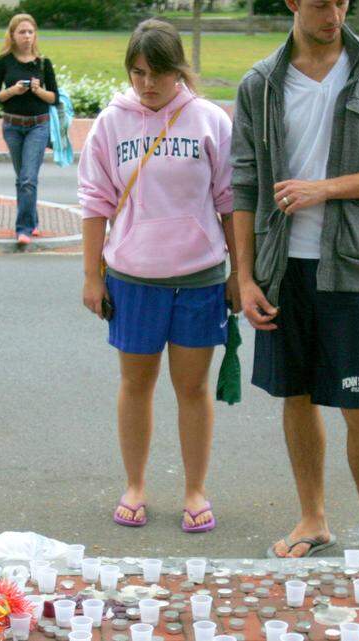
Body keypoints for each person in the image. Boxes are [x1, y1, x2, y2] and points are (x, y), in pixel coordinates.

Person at [230, 0, 359, 556]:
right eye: (321, 2)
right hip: (280, 264)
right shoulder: (261, 84)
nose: (334, 13)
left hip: (354, 264)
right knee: (296, 395)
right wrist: (244, 278)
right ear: (292, 1)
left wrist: (325, 187)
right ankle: (312, 519)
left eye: (343, 1)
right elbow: (243, 183)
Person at [79, 19, 239, 533]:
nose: (147, 84)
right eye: (138, 72)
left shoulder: (210, 121)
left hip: (199, 277)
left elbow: (230, 203)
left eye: (159, 73)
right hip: (133, 277)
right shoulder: (111, 123)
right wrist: (92, 276)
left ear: (179, 72)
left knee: (193, 388)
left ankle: (195, 488)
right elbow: (94, 202)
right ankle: (136, 484)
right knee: (136, 384)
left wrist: (240, 274)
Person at [0, 13, 60, 245]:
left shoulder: (43, 63)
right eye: (22, 32)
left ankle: (24, 229)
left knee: (28, 179)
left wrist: (39, 91)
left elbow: (54, 98)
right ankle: (33, 221)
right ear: (13, 35)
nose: (27, 36)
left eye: (30, 32)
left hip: (38, 126)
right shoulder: (4, 62)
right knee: (23, 178)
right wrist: (13, 91)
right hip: (12, 126)